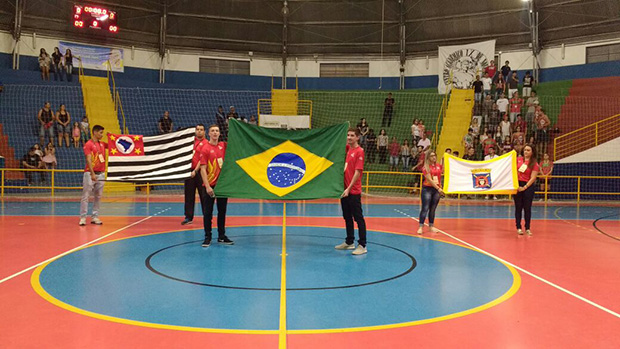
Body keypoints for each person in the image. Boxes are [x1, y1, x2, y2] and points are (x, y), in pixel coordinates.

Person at [199, 124, 234, 247]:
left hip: (222, 186)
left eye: (217, 131)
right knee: (208, 212)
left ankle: (221, 236)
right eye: (212, 131)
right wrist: (208, 186)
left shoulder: (223, 146)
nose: (215, 133)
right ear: (209, 133)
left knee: (222, 211)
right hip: (209, 186)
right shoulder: (205, 148)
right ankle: (207, 237)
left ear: (219, 133)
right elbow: (202, 169)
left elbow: (236, 143)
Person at [335, 128, 367, 255]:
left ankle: (362, 245)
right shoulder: (349, 149)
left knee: (358, 218)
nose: (349, 137)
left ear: (358, 137)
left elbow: (358, 172)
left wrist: (349, 188)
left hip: (353, 191)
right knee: (347, 217)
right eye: (348, 135)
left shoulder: (360, 151)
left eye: (352, 135)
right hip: (344, 191)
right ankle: (349, 242)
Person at [79, 125, 107, 226]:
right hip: (90, 173)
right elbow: (88, 159)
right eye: (100, 133)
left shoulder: (102, 144)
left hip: (101, 174)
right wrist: (92, 173)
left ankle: (95, 216)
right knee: (86, 195)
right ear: (94, 132)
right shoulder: (88, 144)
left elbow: (114, 145)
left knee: (98, 196)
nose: (102, 135)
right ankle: (83, 217)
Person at [182, 124, 209, 226]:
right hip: (189, 171)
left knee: (204, 195)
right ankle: (188, 217)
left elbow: (202, 159)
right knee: (189, 195)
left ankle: (206, 216)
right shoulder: (190, 142)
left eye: (201, 130)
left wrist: (196, 171)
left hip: (201, 172)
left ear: (204, 132)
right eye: (197, 129)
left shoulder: (206, 143)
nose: (199, 131)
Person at [514, 144, 540, 236]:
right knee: (518, 207)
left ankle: (527, 228)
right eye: (525, 150)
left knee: (527, 208)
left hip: (528, 186)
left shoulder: (535, 164)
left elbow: (533, 178)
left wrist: (524, 187)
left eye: (528, 150)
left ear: (532, 152)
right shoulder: (518, 160)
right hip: (518, 185)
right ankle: (518, 227)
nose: (526, 152)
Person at [417, 150, 444, 235]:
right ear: (428, 157)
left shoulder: (438, 166)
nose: (434, 157)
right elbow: (430, 180)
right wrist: (438, 189)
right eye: (432, 156)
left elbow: (441, 172)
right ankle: (421, 226)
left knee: (433, 209)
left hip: (436, 190)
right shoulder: (425, 167)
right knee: (425, 208)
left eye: (435, 155)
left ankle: (431, 226)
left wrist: (444, 159)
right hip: (427, 189)